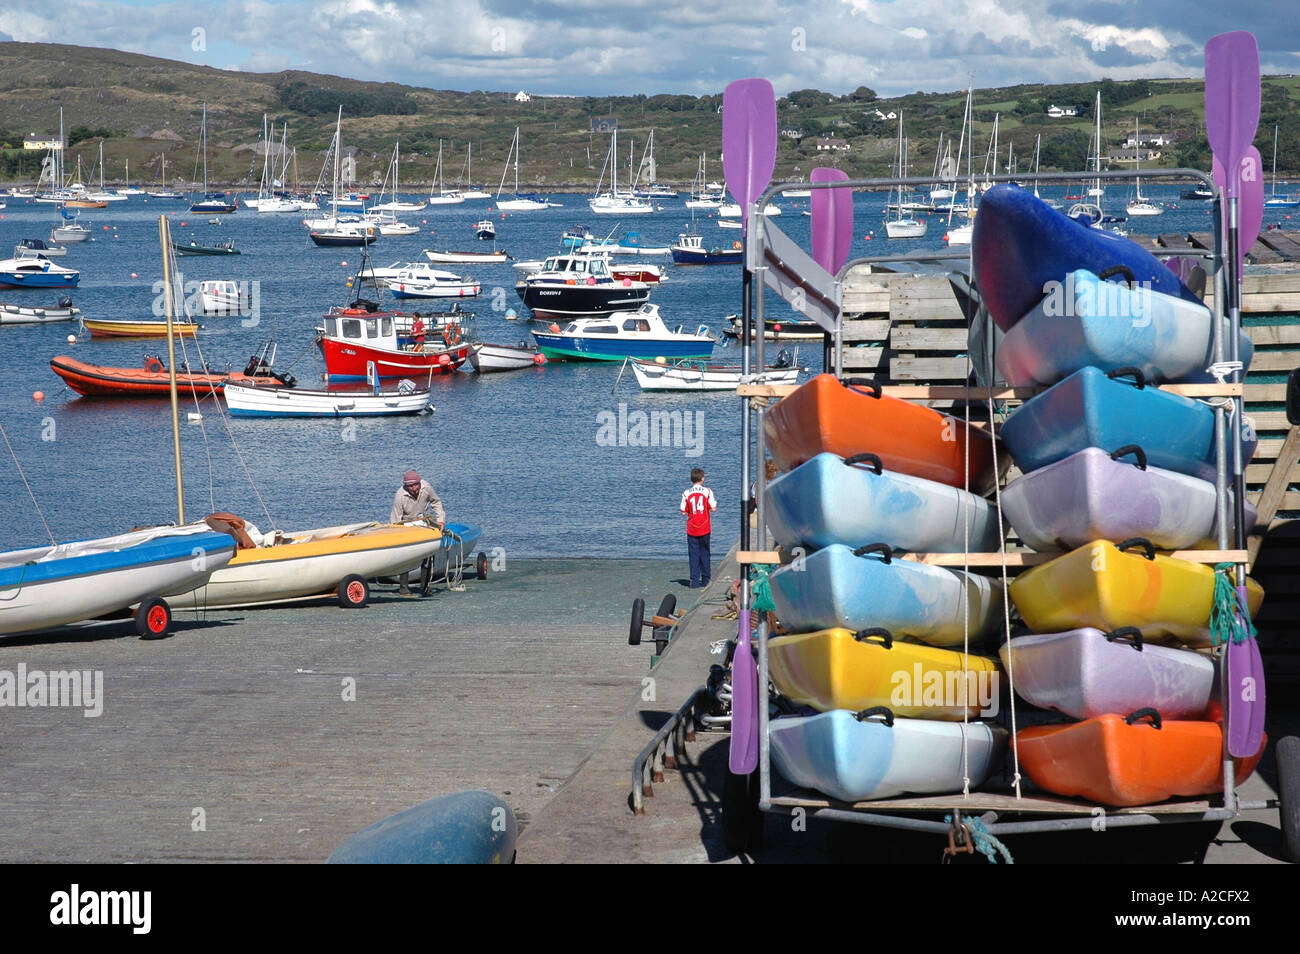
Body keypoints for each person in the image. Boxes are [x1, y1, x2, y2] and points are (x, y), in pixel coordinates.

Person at [391, 469, 446, 596]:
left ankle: (425, 587)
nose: (414, 488)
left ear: (419, 482)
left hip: (423, 523)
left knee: (428, 555)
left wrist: (441, 520)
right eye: (410, 486)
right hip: (406, 525)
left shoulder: (426, 487)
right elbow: (395, 519)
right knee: (405, 557)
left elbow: (436, 502)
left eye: (416, 485)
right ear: (406, 485)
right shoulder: (400, 495)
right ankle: (403, 588)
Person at [680, 467, 717, 588]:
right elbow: (713, 508)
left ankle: (694, 580)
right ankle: (706, 579)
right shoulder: (707, 491)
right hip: (705, 527)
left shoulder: (686, 493)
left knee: (693, 554)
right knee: (705, 552)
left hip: (692, 528)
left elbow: (683, 511)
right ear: (702, 479)